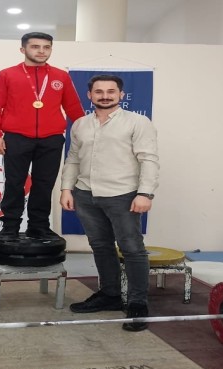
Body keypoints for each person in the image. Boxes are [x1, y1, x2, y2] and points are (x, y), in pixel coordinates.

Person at [60, 74, 159, 332]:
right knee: (101, 246)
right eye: (99, 91)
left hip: (123, 195)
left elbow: (148, 159)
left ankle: (137, 303)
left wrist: (145, 194)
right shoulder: (80, 124)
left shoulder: (138, 122)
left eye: (111, 91)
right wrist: (66, 188)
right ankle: (110, 295)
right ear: (89, 95)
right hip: (85, 194)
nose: (105, 96)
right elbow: (73, 158)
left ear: (121, 95)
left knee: (132, 249)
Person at [0, 32, 84, 241]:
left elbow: (74, 108)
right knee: (14, 183)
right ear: (23, 49)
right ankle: (10, 226)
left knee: (44, 184)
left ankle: (38, 226)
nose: (41, 51)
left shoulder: (61, 76)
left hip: (51, 138)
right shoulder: (7, 74)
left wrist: (87, 135)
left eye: (46, 47)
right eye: (35, 47)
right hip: (17, 137)